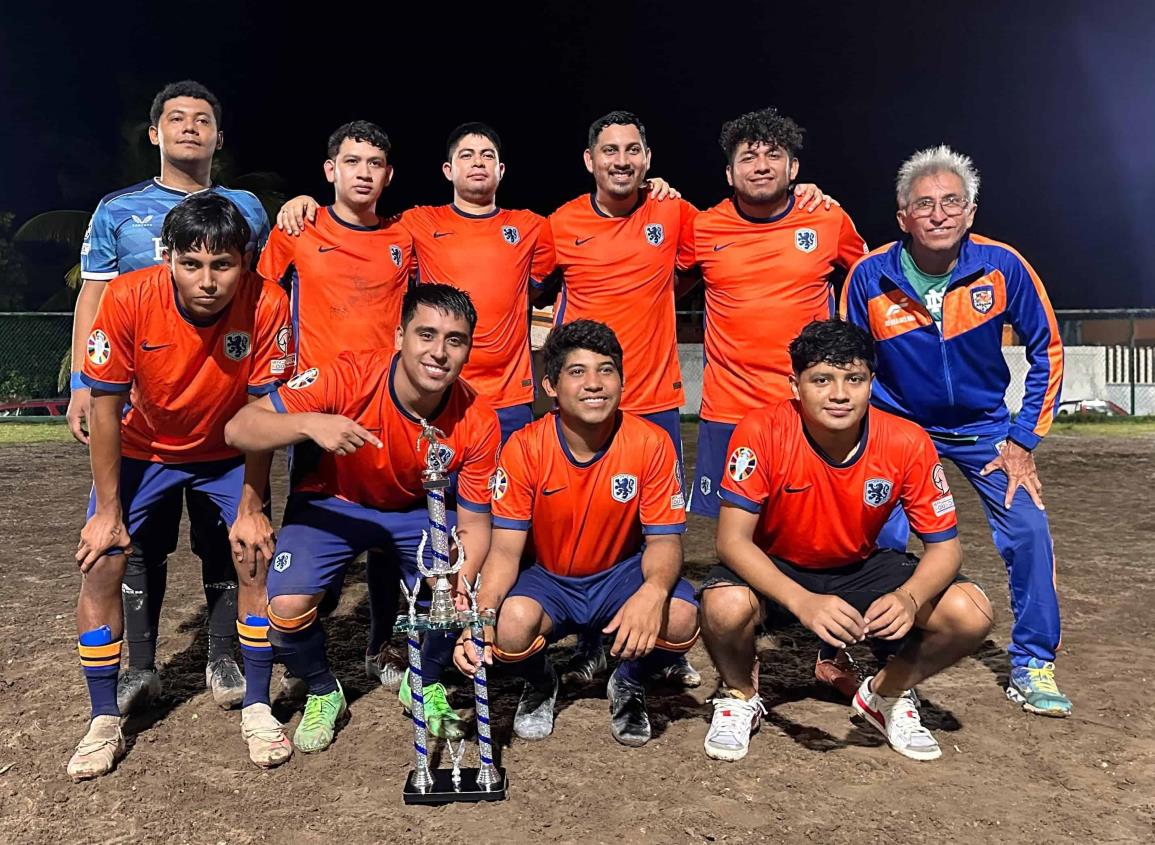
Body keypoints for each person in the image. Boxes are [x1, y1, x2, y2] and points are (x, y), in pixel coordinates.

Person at [549, 110, 833, 686]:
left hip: (652, 397)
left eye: (633, 149)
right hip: (582, 399)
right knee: (582, 524)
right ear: (589, 160)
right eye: (610, 150)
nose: (621, 160)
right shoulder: (557, 225)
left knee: (658, 526)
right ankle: (589, 640)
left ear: (648, 160)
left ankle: (663, 646)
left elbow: (688, 270)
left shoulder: (679, 215)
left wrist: (806, 194)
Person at [68, 193, 293, 780]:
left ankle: (258, 704)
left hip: (227, 449)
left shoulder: (268, 302)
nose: (209, 280)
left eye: (222, 264)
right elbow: (107, 410)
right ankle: (101, 719)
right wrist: (108, 510)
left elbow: (260, 410)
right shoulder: (125, 297)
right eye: (192, 264)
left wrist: (250, 505)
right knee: (102, 558)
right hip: (145, 449)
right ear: (167, 257)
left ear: (244, 261)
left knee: (254, 553)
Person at [841, 145, 1070, 716]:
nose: (939, 214)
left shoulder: (1003, 266)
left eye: (952, 202)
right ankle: (884, 660)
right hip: (898, 429)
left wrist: (1022, 440)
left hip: (984, 429)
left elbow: (1049, 348)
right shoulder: (869, 276)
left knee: (1028, 530)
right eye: (925, 204)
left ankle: (1033, 662)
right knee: (880, 538)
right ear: (903, 218)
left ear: (970, 212)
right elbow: (848, 359)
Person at [699, 319, 993, 762]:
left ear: (871, 383)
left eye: (853, 379)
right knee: (723, 605)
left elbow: (946, 548)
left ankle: (885, 694)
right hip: (777, 565)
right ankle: (739, 695)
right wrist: (802, 602)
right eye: (822, 380)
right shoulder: (761, 431)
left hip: (858, 565)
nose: (839, 394)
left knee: (970, 613)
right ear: (795, 385)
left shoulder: (906, 441)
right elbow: (731, 541)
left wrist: (910, 598)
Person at [224, 284, 500, 752]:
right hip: (334, 502)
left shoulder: (477, 418)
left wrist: (460, 579)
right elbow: (239, 428)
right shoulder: (350, 375)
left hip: (416, 510)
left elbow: (475, 523)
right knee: (285, 610)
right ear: (399, 336)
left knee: (455, 591)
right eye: (426, 335)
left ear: (468, 348)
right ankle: (323, 689)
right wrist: (310, 423)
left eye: (455, 340)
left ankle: (424, 680)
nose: (439, 352)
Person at [70, 80, 271, 714]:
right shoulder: (117, 210)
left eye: (203, 119)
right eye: (176, 119)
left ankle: (223, 655)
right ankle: (141, 667)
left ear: (218, 136)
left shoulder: (246, 208)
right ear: (154, 133)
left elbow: (258, 294)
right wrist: (83, 381)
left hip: (221, 405)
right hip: (141, 402)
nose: (190, 128)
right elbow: (94, 295)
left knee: (224, 539)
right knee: (134, 540)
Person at [685, 106, 869, 698]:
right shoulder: (701, 227)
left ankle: (833, 649)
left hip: (811, 414)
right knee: (740, 533)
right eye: (748, 156)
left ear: (793, 167)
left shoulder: (827, 217)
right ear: (728, 171)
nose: (760, 165)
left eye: (772, 156)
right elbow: (660, 273)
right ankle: (746, 653)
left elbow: (868, 282)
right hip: (729, 411)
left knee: (825, 529)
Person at [453, 319, 698, 746]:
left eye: (606, 370)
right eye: (577, 372)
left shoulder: (652, 442)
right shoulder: (525, 447)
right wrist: (482, 614)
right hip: (548, 579)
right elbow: (506, 551)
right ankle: (542, 680)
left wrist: (652, 592)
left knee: (681, 616)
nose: (595, 384)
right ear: (550, 385)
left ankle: (628, 680)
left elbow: (665, 541)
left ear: (622, 380)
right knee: (510, 627)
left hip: (619, 576)